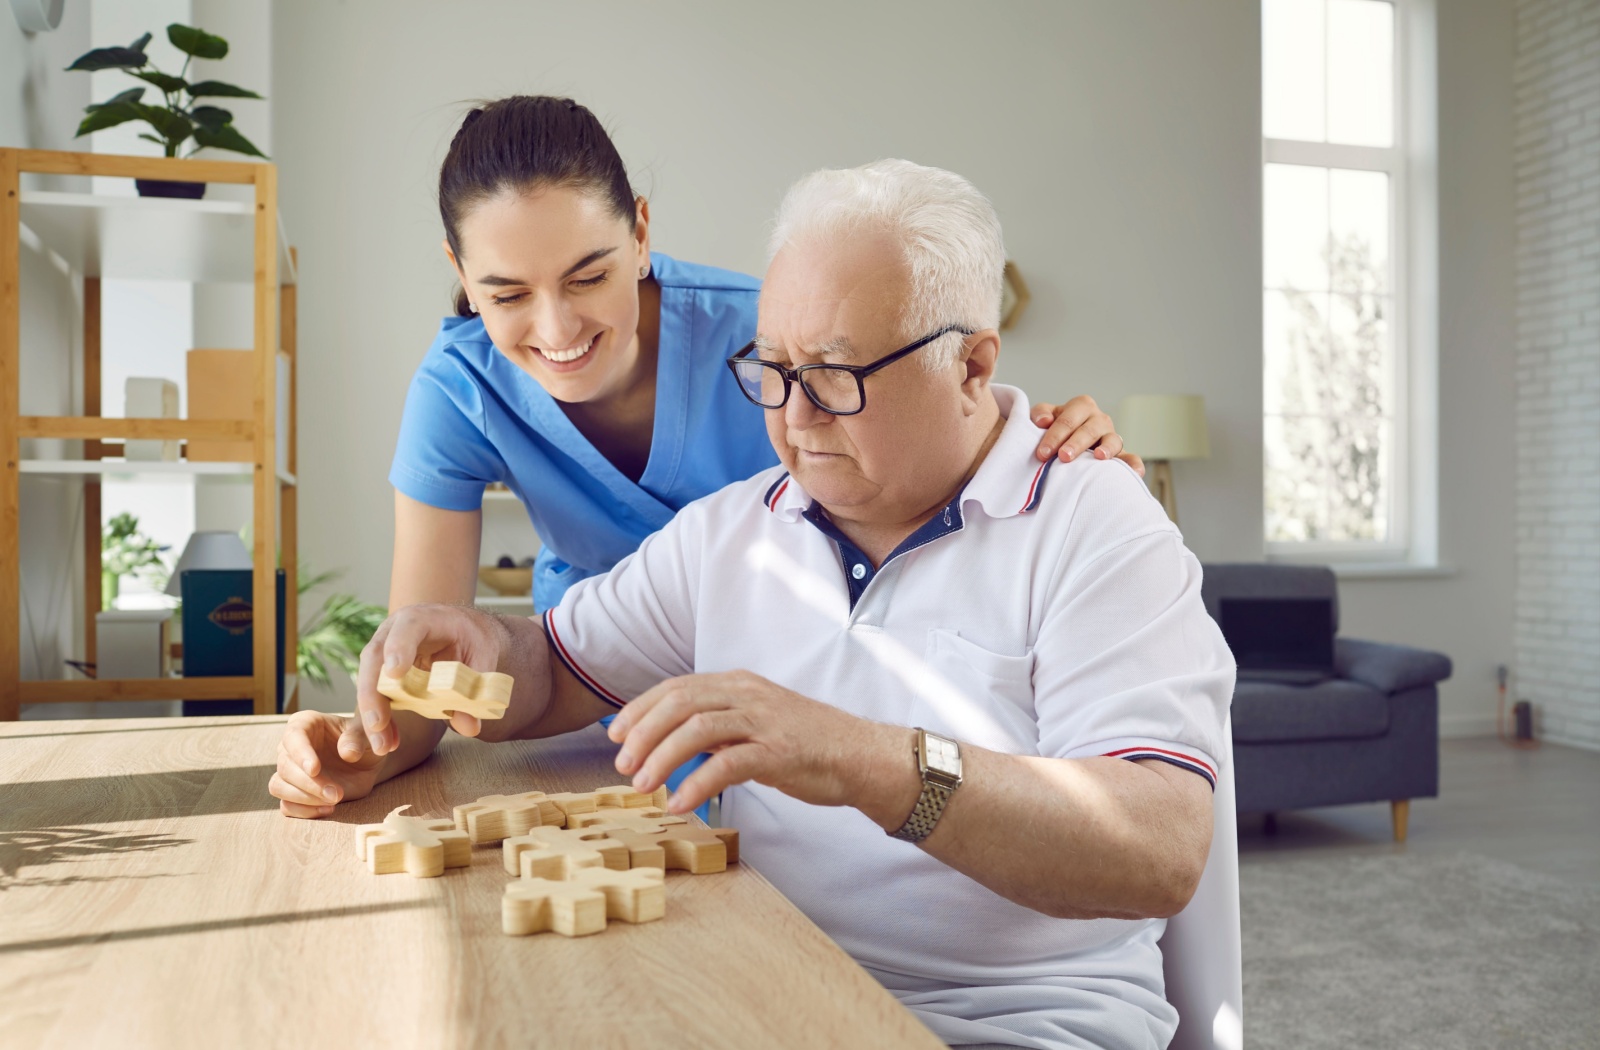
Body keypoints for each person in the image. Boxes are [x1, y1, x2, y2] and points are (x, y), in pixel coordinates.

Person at [274, 158, 1232, 1050]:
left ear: (972, 367)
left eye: (837, 376)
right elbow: (555, 669)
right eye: (771, 369)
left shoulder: (1097, 525)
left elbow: (1154, 847)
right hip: (749, 982)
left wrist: (859, 757)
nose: (792, 417)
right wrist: (474, 652)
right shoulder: (735, 529)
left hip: (1007, 1024)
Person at [335, 95, 1138, 804]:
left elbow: (938, 415)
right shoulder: (462, 391)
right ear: (463, 278)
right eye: (506, 294)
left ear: (641, 233)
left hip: (792, 685)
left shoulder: (771, 342)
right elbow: (456, 663)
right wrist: (361, 747)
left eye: (587, 277)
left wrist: (1043, 443)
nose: (555, 330)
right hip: (593, 669)